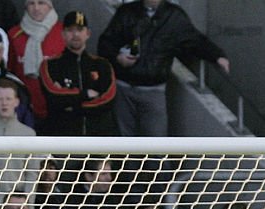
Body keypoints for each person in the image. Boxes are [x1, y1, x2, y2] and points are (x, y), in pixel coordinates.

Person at [98, 0, 229, 137]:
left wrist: (217, 56)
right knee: (124, 142)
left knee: (156, 142)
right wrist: (118, 58)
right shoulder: (126, 12)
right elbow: (106, 43)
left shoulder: (174, 16)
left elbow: (195, 40)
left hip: (154, 90)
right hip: (123, 89)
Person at [39, 11, 117, 136]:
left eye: (80, 29)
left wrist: (74, 107)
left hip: (97, 139)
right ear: (63, 34)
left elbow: (108, 99)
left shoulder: (102, 65)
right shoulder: (50, 65)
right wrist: (86, 94)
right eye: (70, 30)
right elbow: (53, 96)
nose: (75, 34)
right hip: (62, 139)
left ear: (88, 33)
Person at [6, 0, 61, 124]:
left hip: (57, 110)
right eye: (31, 3)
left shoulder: (63, 32)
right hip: (23, 110)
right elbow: (9, 73)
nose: (36, 8)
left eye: (41, 3)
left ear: (50, 6)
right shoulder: (14, 35)